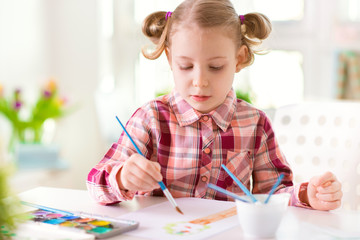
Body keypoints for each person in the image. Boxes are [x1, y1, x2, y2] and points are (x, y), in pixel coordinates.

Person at [87, 0, 342, 211]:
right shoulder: (151, 119)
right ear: (169, 58)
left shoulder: (255, 124)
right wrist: (121, 177)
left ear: (239, 59)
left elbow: (274, 194)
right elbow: (95, 185)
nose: (200, 82)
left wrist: (308, 195)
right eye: (185, 66)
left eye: (216, 67)